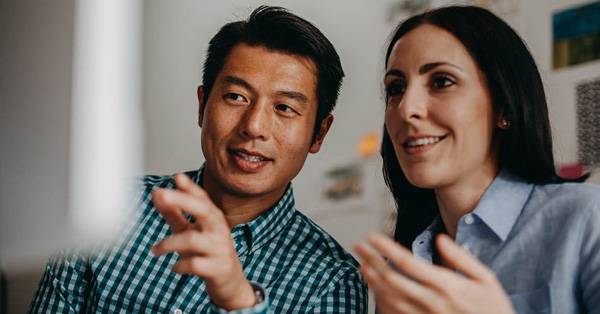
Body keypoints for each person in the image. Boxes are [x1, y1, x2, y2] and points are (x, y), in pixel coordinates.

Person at [30, 6, 367, 313]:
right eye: (236, 96)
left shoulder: (331, 281)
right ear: (202, 104)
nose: (254, 126)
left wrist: (240, 302)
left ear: (319, 133)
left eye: (284, 108)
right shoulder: (111, 209)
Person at [355, 5, 600, 314]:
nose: (406, 108)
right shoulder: (404, 270)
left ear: (504, 108)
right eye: (396, 88)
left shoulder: (587, 216)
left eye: (441, 81)